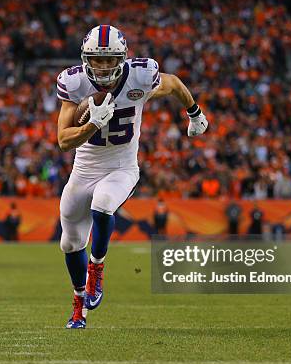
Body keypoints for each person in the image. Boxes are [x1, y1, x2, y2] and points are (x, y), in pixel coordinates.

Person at [56, 25, 209, 328]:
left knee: (103, 205)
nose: (103, 66)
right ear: (86, 59)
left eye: (110, 59)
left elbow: (175, 84)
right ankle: (78, 305)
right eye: (96, 60)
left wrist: (195, 113)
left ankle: (96, 272)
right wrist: (91, 126)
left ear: (123, 58)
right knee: (70, 243)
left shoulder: (140, 76)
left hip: (121, 168)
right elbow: (63, 140)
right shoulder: (73, 83)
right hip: (84, 171)